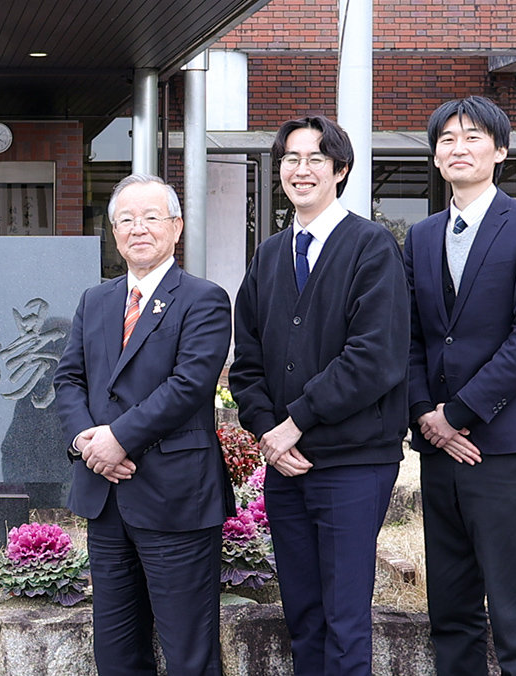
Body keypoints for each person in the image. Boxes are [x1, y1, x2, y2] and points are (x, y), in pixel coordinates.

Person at [227, 115, 410, 676]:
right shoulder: (271, 254)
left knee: (344, 617)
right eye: (289, 159)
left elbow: (375, 357)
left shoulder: (372, 246)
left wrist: (296, 422)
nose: (300, 170)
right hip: (286, 465)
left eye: (314, 159)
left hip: (354, 461)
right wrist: (267, 432)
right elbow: (248, 360)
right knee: (302, 614)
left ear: (341, 170)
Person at [51, 173, 234, 676]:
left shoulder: (204, 298)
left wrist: (118, 438)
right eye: (126, 219)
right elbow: (68, 380)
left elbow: (188, 386)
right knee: (116, 652)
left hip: (176, 498)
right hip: (104, 499)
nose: (139, 228)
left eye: (152, 217)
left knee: (188, 655)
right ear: (114, 232)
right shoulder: (96, 300)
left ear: (176, 227)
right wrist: (87, 441)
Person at [405, 96, 516, 676]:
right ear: (436, 156)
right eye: (446, 139)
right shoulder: (421, 236)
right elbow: (414, 338)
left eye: (473, 137)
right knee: (450, 609)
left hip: (498, 445)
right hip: (437, 447)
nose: (458, 148)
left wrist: (461, 412)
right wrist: (427, 414)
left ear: (500, 151)